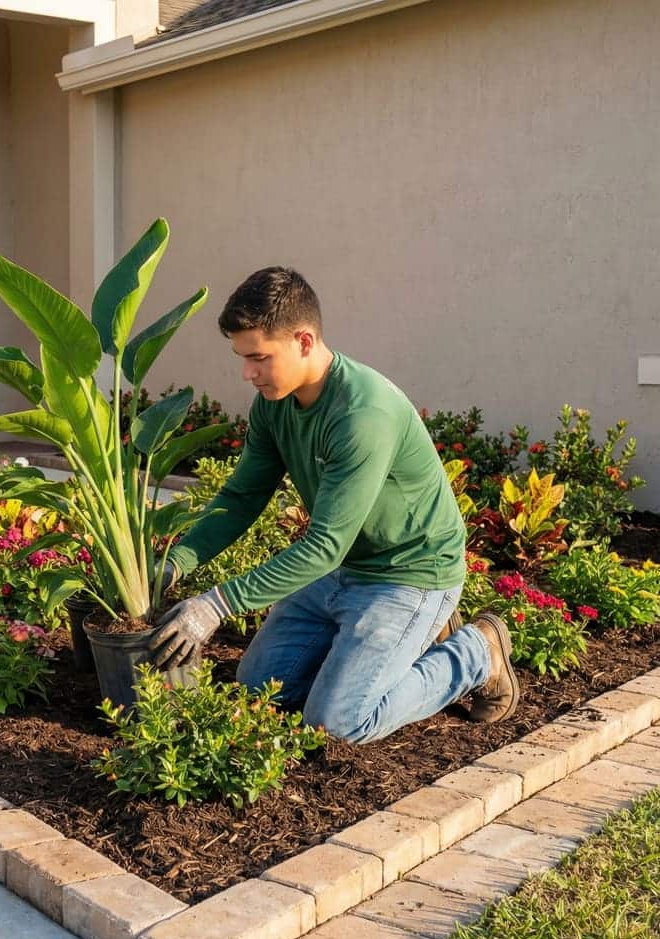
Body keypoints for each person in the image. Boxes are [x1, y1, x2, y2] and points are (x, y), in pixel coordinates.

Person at [148, 267, 520, 744]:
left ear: (304, 340)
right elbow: (243, 496)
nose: (247, 373)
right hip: (341, 567)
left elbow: (324, 544)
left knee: (337, 724)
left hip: (408, 573)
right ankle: (383, 647)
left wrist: (217, 605)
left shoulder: (363, 415)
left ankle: (475, 654)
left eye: (259, 357)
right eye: (242, 358)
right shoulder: (274, 404)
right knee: (259, 690)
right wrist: (177, 561)